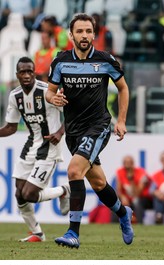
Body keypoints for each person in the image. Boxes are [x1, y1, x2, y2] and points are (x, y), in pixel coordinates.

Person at [46, 13, 134, 249]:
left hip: (98, 126)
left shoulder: (106, 60)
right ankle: (123, 213)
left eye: (88, 31)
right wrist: (53, 98)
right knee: (98, 183)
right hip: (73, 131)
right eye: (80, 31)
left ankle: (73, 233)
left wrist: (121, 120)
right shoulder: (61, 61)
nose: (84, 36)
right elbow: (49, 91)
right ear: (71, 34)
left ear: (94, 34)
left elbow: (124, 89)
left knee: (74, 170)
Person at [0, 56, 70, 242]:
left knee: (29, 193)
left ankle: (64, 190)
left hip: (50, 146)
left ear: (34, 72)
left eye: (30, 71)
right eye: (22, 72)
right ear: (17, 74)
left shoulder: (47, 91)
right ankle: (37, 233)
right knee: (18, 193)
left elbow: (72, 115)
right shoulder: (15, 96)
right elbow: (11, 127)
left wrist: (60, 132)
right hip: (31, 146)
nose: (26, 75)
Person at [116, 155, 153, 224]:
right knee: (116, 202)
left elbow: (137, 193)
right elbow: (119, 189)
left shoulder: (141, 172)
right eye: (126, 163)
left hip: (141, 198)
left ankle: (139, 223)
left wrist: (131, 180)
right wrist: (123, 197)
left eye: (129, 163)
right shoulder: (120, 172)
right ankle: (114, 224)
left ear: (133, 164)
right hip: (127, 198)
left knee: (137, 202)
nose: (127, 165)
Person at [150, 151, 164, 224]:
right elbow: (151, 190)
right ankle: (159, 216)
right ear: (161, 161)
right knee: (157, 197)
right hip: (162, 201)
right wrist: (156, 193)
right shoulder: (156, 175)